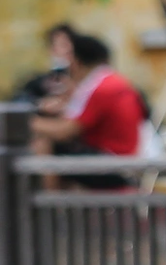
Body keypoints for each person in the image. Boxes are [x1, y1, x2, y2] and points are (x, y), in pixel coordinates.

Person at [30, 34, 146, 188]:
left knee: (44, 143)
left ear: (76, 62)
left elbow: (65, 131)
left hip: (115, 164)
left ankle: (49, 203)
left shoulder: (99, 87)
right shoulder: (109, 80)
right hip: (122, 157)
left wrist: (25, 122)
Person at [12, 23, 76, 106]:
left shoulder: (86, 82)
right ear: (51, 49)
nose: (68, 50)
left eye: (71, 45)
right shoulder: (40, 83)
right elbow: (17, 103)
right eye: (62, 45)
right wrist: (39, 103)